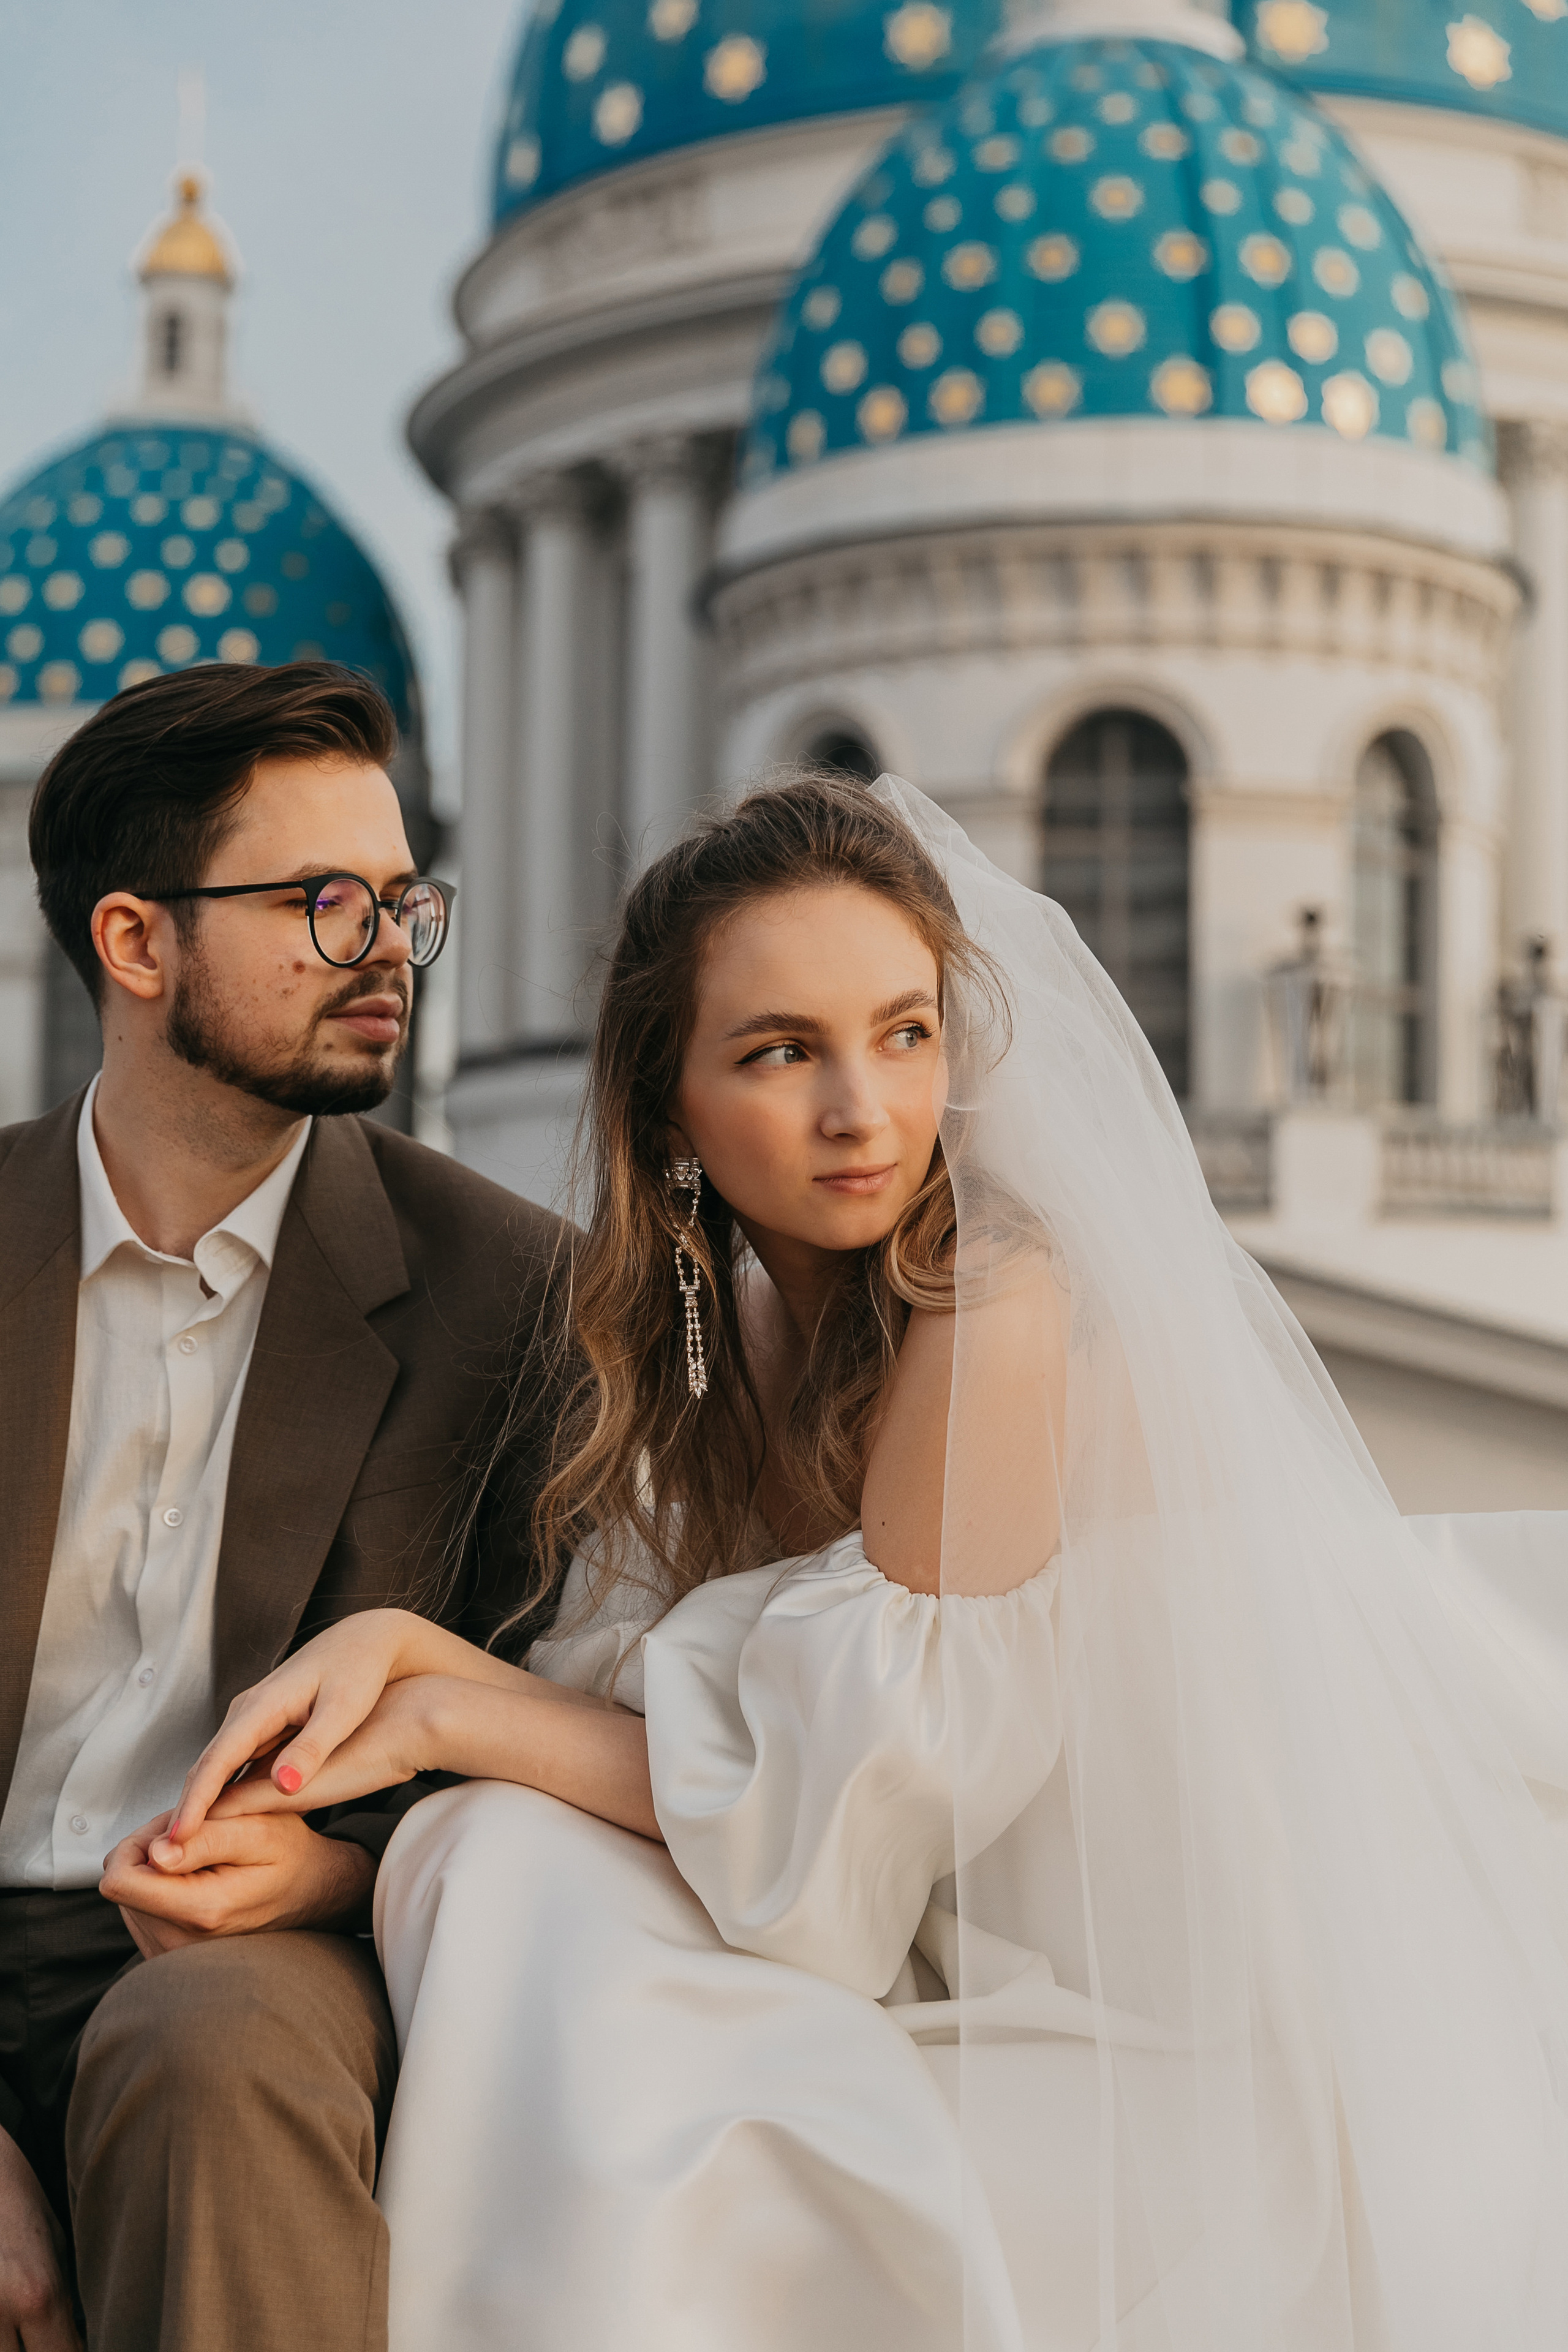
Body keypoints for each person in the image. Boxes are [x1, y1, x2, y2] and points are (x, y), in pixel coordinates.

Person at [169, 774, 1568, 2350]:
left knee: (517, 1871)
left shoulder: (998, 1299)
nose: (865, 1111)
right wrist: (370, 1822)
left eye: (905, 1034)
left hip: (1215, 1989)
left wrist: (440, 1703)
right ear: (666, 1105)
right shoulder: (709, 1344)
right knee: (503, 1863)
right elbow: (681, 1764)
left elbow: (826, 1826)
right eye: (782, 1052)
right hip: (926, 1922)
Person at [0, 663, 564, 2352]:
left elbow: (544, 1720)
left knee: (215, 2052)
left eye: (402, 903)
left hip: (256, 1954)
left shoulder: (515, 1300)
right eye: (323, 904)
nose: (387, 948)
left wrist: (321, 1877)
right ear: (136, 943)